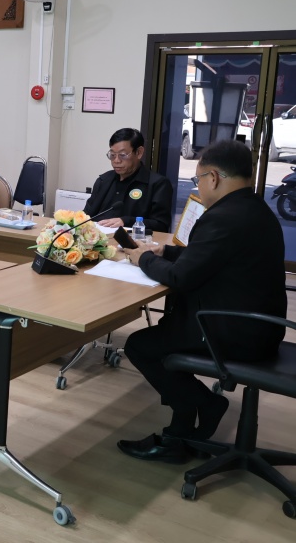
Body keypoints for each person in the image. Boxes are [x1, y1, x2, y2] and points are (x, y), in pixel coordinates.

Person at [118, 140, 286, 463]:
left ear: (214, 178)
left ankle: (203, 406)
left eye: (198, 180)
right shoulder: (254, 209)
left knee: (141, 346)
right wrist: (165, 251)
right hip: (259, 326)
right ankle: (180, 431)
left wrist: (143, 259)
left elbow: (181, 278)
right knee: (164, 336)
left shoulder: (222, 217)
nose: (199, 187)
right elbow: (212, 257)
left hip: (233, 332)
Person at [82, 127, 173, 232]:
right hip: (97, 238)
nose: (116, 160)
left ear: (139, 152)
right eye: (112, 155)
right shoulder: (103, 180)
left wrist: (126, 221)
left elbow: (161, 225)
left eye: (122, 155)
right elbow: (86, 216)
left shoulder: (158, 184)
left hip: (132, 241)